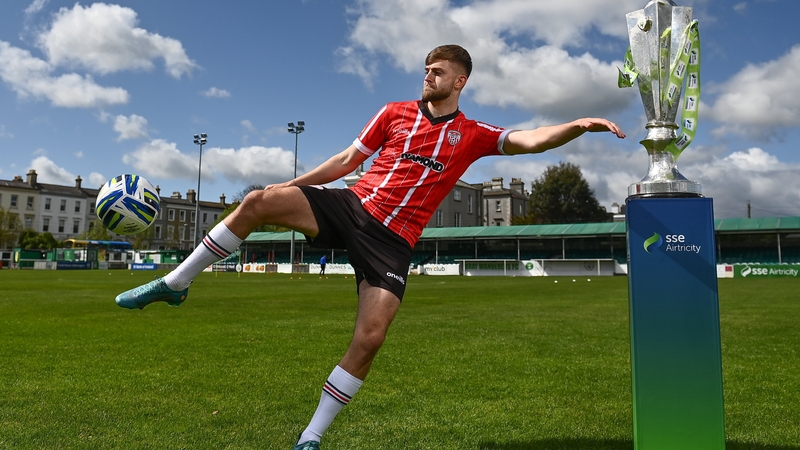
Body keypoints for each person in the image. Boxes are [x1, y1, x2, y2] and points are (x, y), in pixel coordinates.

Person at [115, 44, 625, 449]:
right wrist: (293, 187)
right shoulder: (394, 112)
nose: (428, 76)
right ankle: (175, 283)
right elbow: (345, 160)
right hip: (353, 207)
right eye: (426, 69)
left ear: (460, 80)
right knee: (258, 202)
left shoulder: (472, 134)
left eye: (438, 71)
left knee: (371, 338)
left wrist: (577, 125)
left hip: (393, 242)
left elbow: (531, 139)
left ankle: (310, 438)